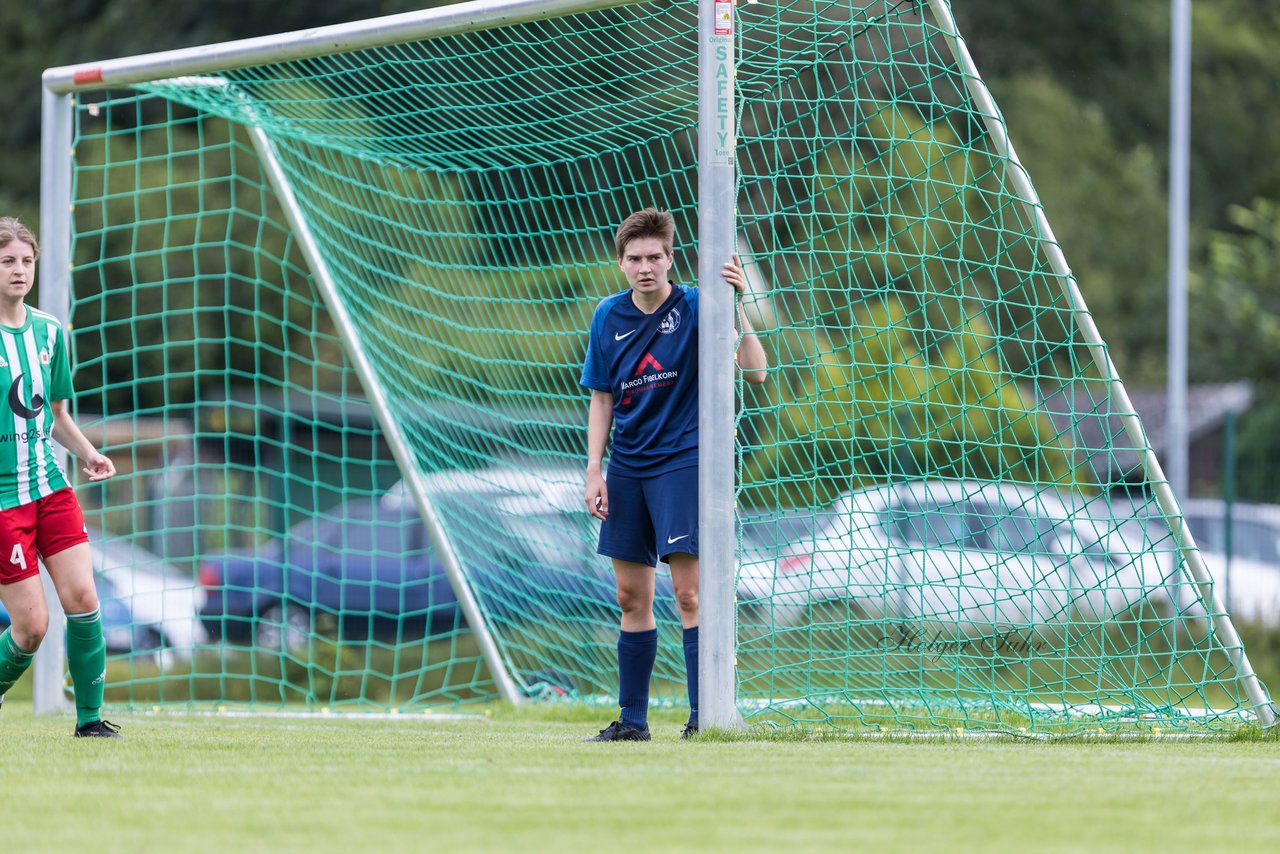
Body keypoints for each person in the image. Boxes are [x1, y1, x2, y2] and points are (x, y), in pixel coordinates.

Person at [581, 208, 767, 741]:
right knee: (630, 598)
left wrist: (740, 309)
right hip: (627, 468)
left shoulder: (694, 307)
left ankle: (701, 718)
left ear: (670, 259)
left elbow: (756, 371)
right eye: (635, 259)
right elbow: (601, 399)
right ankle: (632, 723)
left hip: (682, 462)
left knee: (689, 595)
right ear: (621, 263)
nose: (645, 267)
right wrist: (594, 469)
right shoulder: (606, 317)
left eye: (655, 257)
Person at [0, 216, 120, 737]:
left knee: (84, 600)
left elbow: (56, 415)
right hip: (5, 503)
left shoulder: (49, 332)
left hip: (51, 488)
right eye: (7, 261)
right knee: (31, 628)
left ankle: (90, 722)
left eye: (26, 261)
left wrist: (89, 453)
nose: (19, 270)